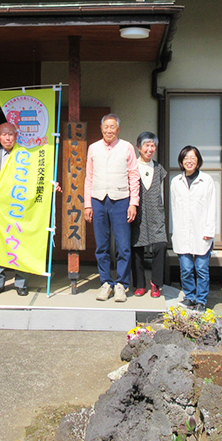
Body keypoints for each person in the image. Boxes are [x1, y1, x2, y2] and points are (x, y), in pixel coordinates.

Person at [84, 114, 140, 303]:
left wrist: (133, 203)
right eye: (106, 127)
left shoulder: (127, 147)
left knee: (123, 246)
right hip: (98, 199)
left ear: (118, 129)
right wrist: (87, 204)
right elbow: (89, 177)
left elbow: (134, 175)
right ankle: (106, 282)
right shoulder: (93, 148)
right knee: (102, 246)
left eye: (112, 127)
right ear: (101, 129)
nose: (109, 130)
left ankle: (122, 284)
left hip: (121, 200)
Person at [0, 122, 30, 296]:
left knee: (21, 243)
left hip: (19, 207)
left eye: (11, 134)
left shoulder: (25, 154)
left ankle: (21, 283)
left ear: (16, 136)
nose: (8, 138)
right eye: (4, 135)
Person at [170, 145, 216, 310]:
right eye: (186, 158)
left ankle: (201, 300)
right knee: (186, 269)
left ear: (198, 161)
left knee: (202, 269)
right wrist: (175, 232)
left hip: (202, 231)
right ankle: (189, 296)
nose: (189, 161)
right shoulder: (176, 181)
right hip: (183, 232)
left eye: (192, 158)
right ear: (181, 162)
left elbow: (211, 207)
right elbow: (175, 209)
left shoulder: (206, 180)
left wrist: (209, 231)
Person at [130, 132, 169, 298]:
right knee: (137, 248)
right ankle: (139, 284)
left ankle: (156, 283)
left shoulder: (159, 168)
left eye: (153, 145)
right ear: (139, 147)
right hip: (137, 213)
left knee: (160, 246)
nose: (150, 149)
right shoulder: (132, 168)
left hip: (156, 213)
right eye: (147, 145)